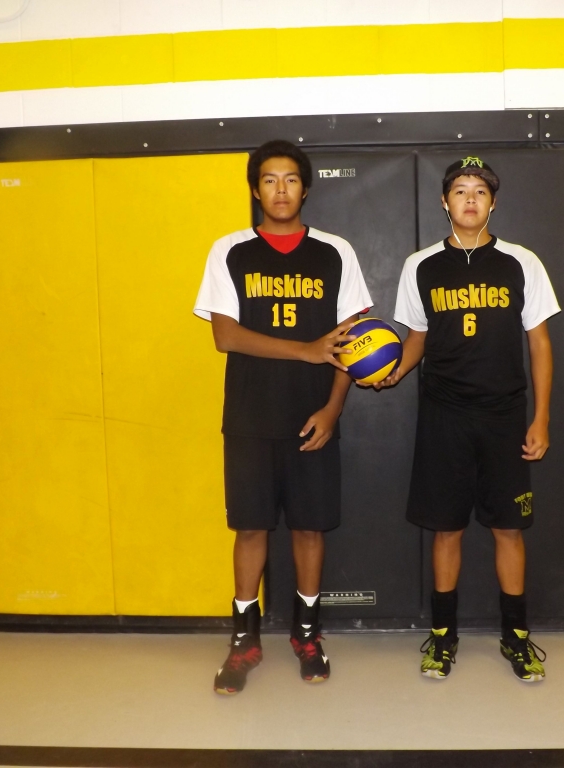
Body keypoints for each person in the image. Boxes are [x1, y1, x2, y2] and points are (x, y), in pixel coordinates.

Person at [194, 139, 372, 694]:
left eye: (291, 179)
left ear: (306, 187)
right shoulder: (230, 251)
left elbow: (354, 341)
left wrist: (332, 408)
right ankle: (243, 641)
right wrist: (305, 349)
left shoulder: (335, 251)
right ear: (254, 188)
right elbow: (225, 335)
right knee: (250, 527)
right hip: (249, 416)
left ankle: (306, 635)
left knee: (309, 528)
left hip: (312, 417)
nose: (280, 190)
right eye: (269, 180)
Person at [378, 156, 560, 682]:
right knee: (446, 530)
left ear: (493, 202)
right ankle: (442, 638)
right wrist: (394, 372)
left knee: (508, 529)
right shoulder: (420, 266)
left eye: (480, 190)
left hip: (505, 416)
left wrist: (542, 416)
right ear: (445, 201)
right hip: (445, 416)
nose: (471, 199)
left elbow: (540, 344)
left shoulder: (522, 262)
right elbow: (416, 337)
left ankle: (517, 638)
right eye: (460, 190)